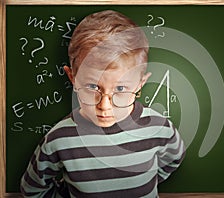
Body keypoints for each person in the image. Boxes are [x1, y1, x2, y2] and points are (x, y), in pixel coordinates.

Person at [20, 10, 185, 198]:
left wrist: (148, 182)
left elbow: (172, 160)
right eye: (92, 87)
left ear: (140, 83)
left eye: (121, 89)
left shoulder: (159, 128)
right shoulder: (58, 140)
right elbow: (32, 189)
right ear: (73, 78)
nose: (105, 105)